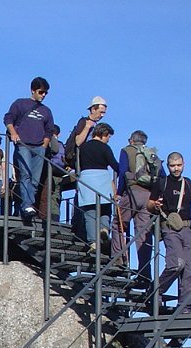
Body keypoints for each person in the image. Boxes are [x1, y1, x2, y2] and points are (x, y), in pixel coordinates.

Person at [147, 152, 191, 314]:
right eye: (173, 165)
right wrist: (155, 205)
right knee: (176, 264)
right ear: (168, 166)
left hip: (188, 228)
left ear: (184, 164)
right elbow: (149, 205)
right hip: (169, 227)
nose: (176, 168)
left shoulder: (189, 184)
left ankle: (185, 307)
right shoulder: (162, 183)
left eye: (179, 165)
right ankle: (156, 289)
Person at [112, 130, 164, 282]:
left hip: (132, 192)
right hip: (149, 197)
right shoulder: (152, 154)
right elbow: (162, 175)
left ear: (131, 140)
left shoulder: (126, 151)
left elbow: (122, 172)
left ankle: (119, 260)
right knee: (143, 234)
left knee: (118, 224)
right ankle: (144, 272)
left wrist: (119, 192)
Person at [3, 77, 54, 224]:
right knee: (25, 174)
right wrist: (13, 133)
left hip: (39, 147)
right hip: (23, 144)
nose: (43, 95)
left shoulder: (46, 111)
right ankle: (27, 205)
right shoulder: (20, 103)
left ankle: (28, 205)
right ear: (33, 90)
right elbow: (8, 118)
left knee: (35, 179)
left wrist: (44, 145)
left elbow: (49, 129)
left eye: (46, 93)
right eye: (41, 92)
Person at [76, 122, 119, 251]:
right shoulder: (105, 148)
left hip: (86, 178)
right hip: (102, 178)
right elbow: (115, 165)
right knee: (105, 207)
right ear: (104, 134)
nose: (108, 140)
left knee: (89, 212)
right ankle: (104, 227)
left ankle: (93, 241)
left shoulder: (83, 147)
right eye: (108, 137)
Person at [66, 96, 108, 173]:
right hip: (83, 161)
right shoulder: (83, 122)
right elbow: (78, 142)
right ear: (93, 109)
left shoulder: (97, 126)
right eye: (101, 112)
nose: (102, 115)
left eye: (104, 113)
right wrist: (87, 127)